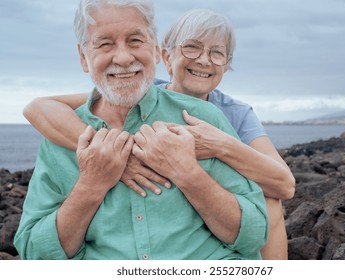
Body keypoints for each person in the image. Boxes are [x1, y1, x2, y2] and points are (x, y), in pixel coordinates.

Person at [22, 9, 295, 259]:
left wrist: (210, 151)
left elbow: (281, 188)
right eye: (191, 47)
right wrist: (102, 169)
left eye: (217, 53)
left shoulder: (227, 114)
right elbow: (42, 106)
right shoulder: (121, 89)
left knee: (270, 200)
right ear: (165, 55)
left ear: (153, 51)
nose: (204, 60)